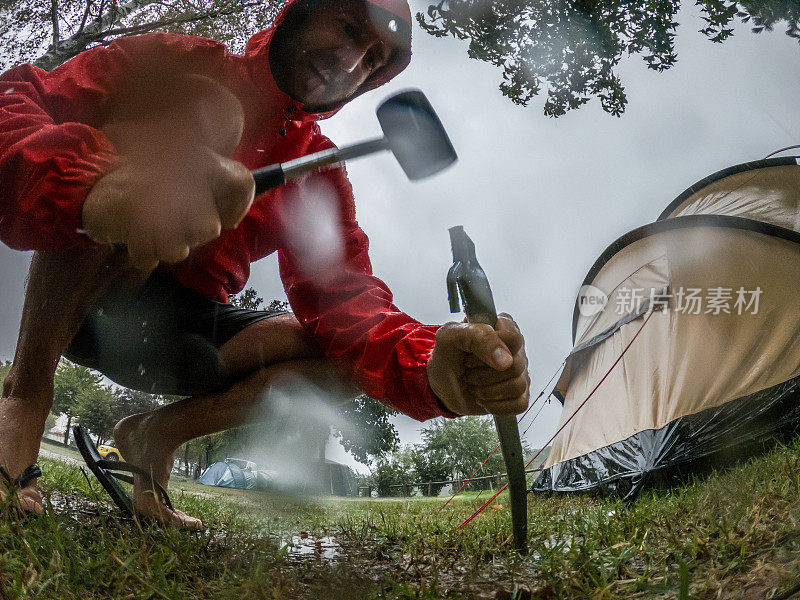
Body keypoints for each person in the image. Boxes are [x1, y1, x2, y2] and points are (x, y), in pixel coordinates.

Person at [0, 0, 530, 527]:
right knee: (197, 115)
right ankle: (24, 397)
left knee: (346, 356)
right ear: (301, 11)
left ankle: (154, 435)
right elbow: (17, 100)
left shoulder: (317, 174)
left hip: (185, 341)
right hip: (87, 304)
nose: (349, 65)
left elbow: (352, 308)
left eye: (371, 61)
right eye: (348, 30)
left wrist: (430, 367)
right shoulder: (174, 62)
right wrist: (94, 183)